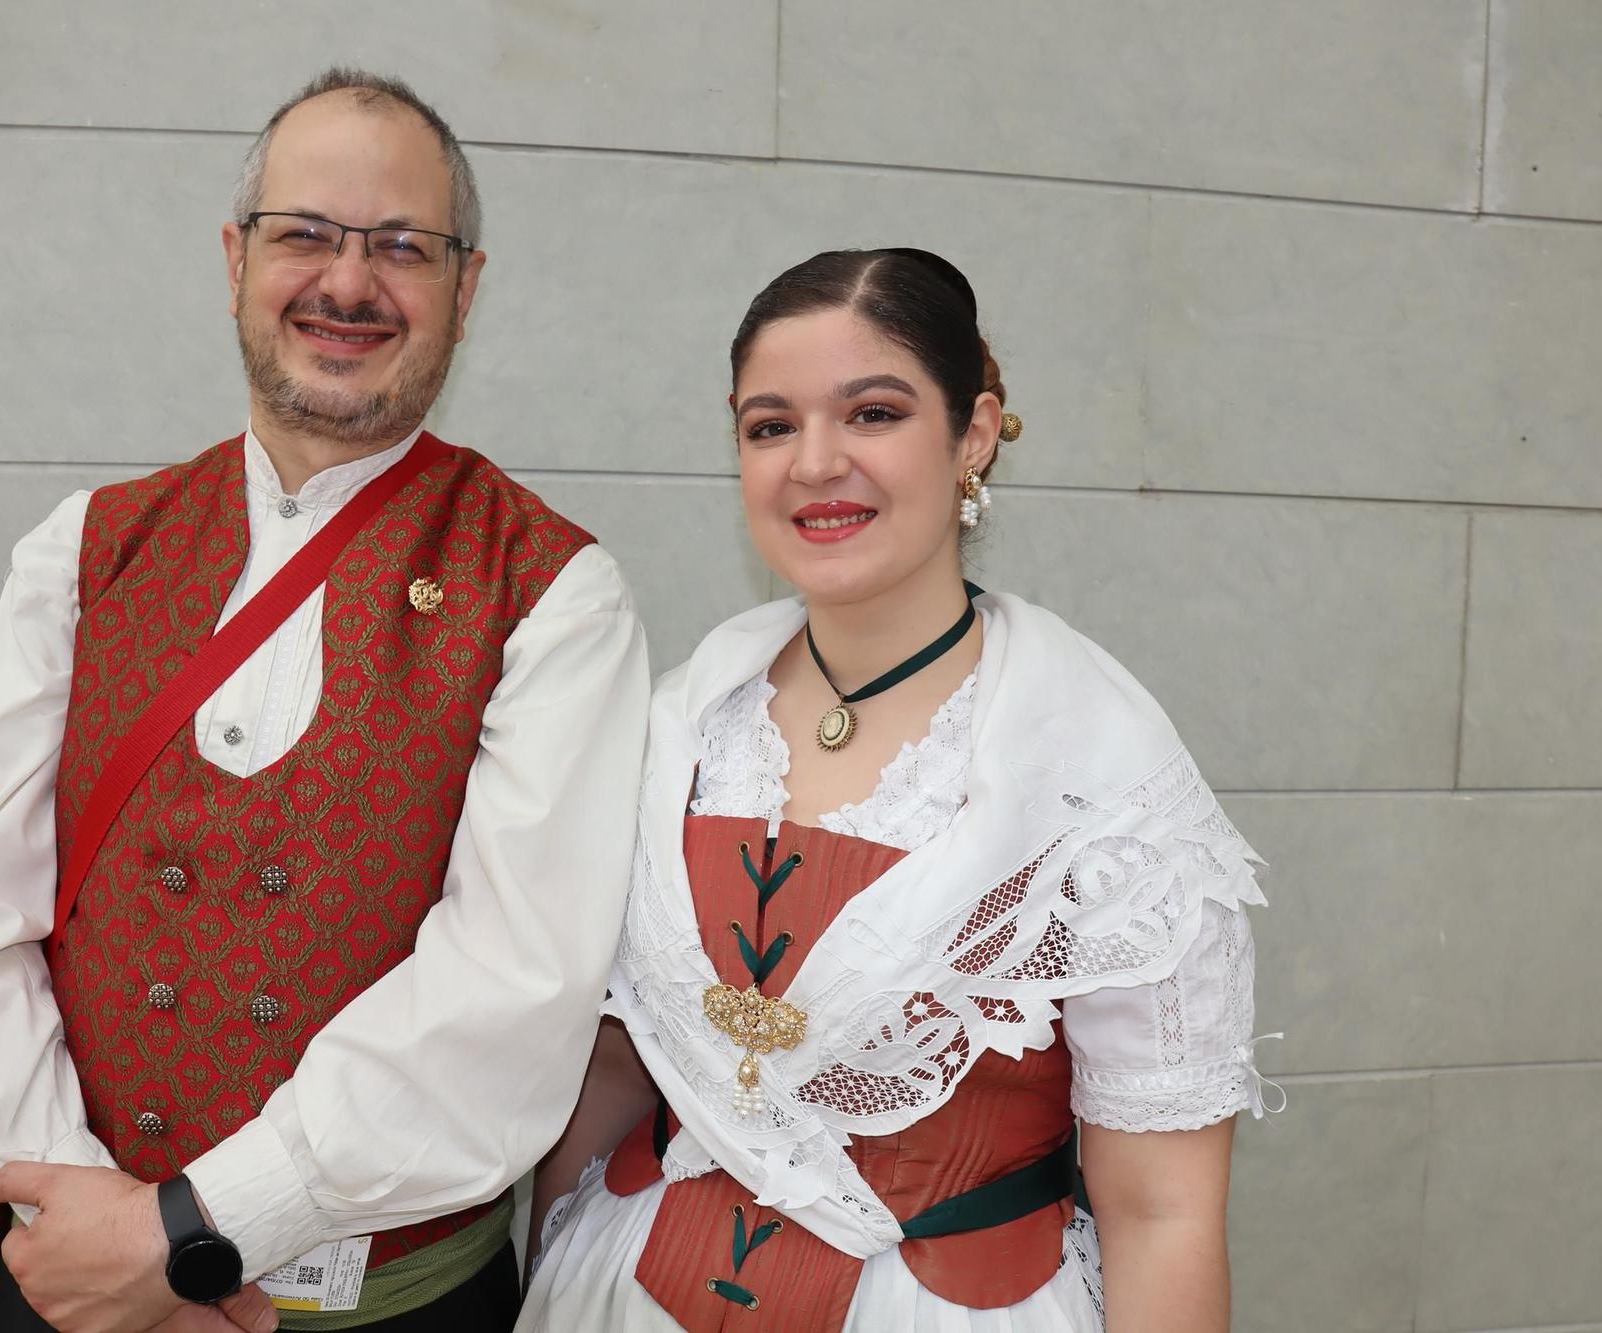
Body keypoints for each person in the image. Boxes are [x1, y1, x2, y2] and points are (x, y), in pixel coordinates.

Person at [0, 68, 649, 1333]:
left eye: (403, 245)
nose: (348, 283)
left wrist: (185, 1237)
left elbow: (512, 991)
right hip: (73, 1288)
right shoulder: (86, 549)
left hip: (379, 1311)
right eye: (305, 235)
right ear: (235, 259)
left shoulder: (554, 593)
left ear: (468, 286)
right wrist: (96, 1229)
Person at [518, 248, 1277, 1332]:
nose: (815, 463)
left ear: (971, 433)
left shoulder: (1099, 779)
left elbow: (1160, 1212)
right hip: (619, 1292)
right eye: (769, 425)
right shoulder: (677, 723)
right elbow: (608, 1068)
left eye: (870, 413)